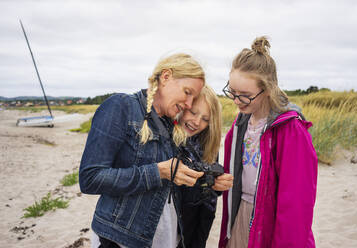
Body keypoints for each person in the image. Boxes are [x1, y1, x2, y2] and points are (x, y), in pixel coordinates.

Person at [79, 53, 206, 248]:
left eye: (193, 97)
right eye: (187, 92)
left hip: (166, 238)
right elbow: (90, 178)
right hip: (120, 240)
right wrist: (159, 172)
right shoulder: (121, 107)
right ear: (166, 77)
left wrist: (208, 182)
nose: (189, 104)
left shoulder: (173, 126)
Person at [218, 36, 318, 248]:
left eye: (245, 95)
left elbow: (296, 205)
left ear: (267, 89)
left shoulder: (291, 131)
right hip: (241, 217)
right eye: (232, 92)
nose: (236, 101)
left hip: (272, 225)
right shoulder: (239, 126)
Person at [177, 85, 233, 248]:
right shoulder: (165, 139)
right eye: (193, 112)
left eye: (205, 119)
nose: (196, 122)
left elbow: (208, 194)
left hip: (197, 225)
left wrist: (216, 185)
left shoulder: (207, 143)